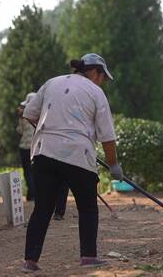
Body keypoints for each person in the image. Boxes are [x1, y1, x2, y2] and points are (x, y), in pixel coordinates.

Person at [21, 53, 124, 272]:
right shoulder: (96, 92)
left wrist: (52, 129)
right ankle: (88, 256)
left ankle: (30, 261)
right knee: (87, 208)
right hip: (78, 156)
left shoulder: (52, 83)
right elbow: (107, 136)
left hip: (44, 153)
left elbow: (29, 112)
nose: (103, 81)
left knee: (42, 209)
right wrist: (114, 165)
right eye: (103, 77)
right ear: (95, 73)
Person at [17, 93, 37, 201]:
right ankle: (34, 194)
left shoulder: (23, 115)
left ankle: (31, 194)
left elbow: (19, 131)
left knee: (28, 171)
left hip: (25, 146)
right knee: (35, 171)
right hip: (37, 147)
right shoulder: (41, 114)